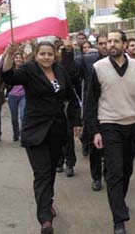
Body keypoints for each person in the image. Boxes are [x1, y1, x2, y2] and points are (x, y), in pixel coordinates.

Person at [1, 42, 81, 234]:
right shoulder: (29, 70)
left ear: (54, 56)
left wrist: (77, 121)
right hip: (35, 131)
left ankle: (47, 201)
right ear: (36, 55)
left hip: (57, 131)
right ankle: (45, 218)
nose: (46, 57)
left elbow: (72, 97)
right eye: (42, 54)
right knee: (42, 173)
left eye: (49, 54)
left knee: (51, 170)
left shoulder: (60, 71)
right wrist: (9, 56)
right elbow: (9, 76)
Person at [86, 29, 135, 234]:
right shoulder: (98, 68)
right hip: (109, 124)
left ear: (125, 45)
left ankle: (120, 201)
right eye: (109, 41)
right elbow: (90, 102)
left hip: (133, 124)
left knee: (127, 169)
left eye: (116, 41)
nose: (111, 44)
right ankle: (119, 220)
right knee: (115, 170)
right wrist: (94, 131)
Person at [77, 34, 108, 191]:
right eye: (101, 43)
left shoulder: (119, 61)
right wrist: (70, 50)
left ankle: (109, 173)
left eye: (106, 43)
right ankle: (96, 177)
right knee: (96, 146)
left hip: (111, 110)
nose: (104, 46)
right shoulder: (88, 60)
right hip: (94, 108)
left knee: (110, 146)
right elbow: (73, 70)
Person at [56, 40, 82, 177]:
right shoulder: (49, 69)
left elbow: (70, 67)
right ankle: (59, 162)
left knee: (68, 136)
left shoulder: (67, 68)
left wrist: (68, 48)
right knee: (56, 137)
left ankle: (70, 163)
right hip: (54, 109)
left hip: (67, 106)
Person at [6, 52, 26, 143]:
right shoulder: (10, 70)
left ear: (23, 59)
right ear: (13, 60)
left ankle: (23, 136)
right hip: (12, 96)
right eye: (16, 58)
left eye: (20, 58)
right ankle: (16, 133)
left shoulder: (26, 69)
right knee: (14, 117)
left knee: (22, 115)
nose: (18, 59)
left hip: (24, 96)